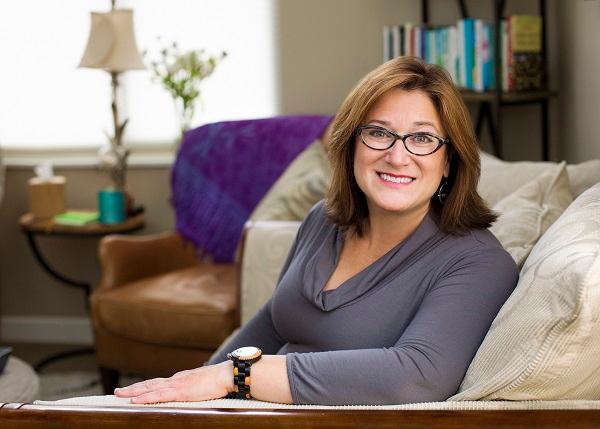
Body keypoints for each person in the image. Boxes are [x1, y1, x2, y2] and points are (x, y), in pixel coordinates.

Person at [115, 56, 518, 405]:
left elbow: (417, 375)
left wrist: (235, 376)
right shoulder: (323, 219)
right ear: (352, 145)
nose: (398, 156)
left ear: (449, 161)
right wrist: (193, 388)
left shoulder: (478, 262)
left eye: (423, 138)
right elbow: (272, 322)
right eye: (378, 132)